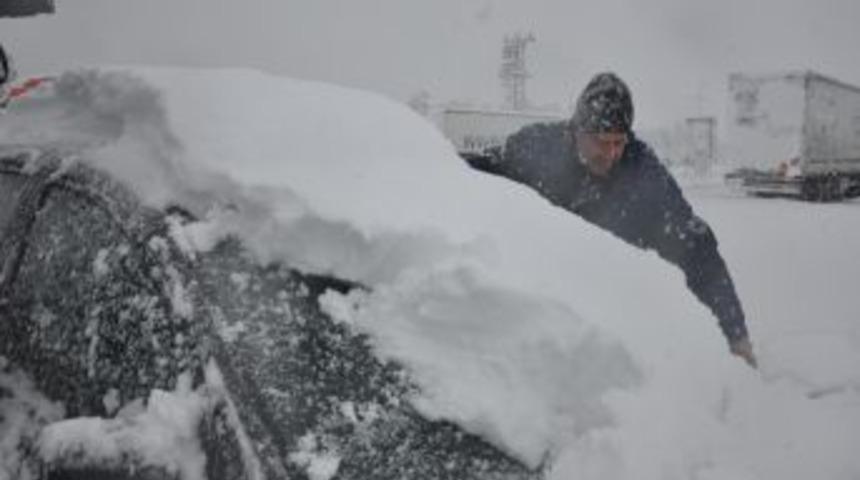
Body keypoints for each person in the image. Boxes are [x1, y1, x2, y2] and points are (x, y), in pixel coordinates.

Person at [472, 72, 757, 368]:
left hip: (610, 315)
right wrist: (440, 166)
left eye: (618, 142)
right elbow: (476, 172)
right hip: (542, 300)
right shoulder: (537, 149)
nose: (610, 154)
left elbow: (695, 244)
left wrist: (736, 336)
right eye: (601, 142)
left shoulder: (642, 170)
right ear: (576, 131)